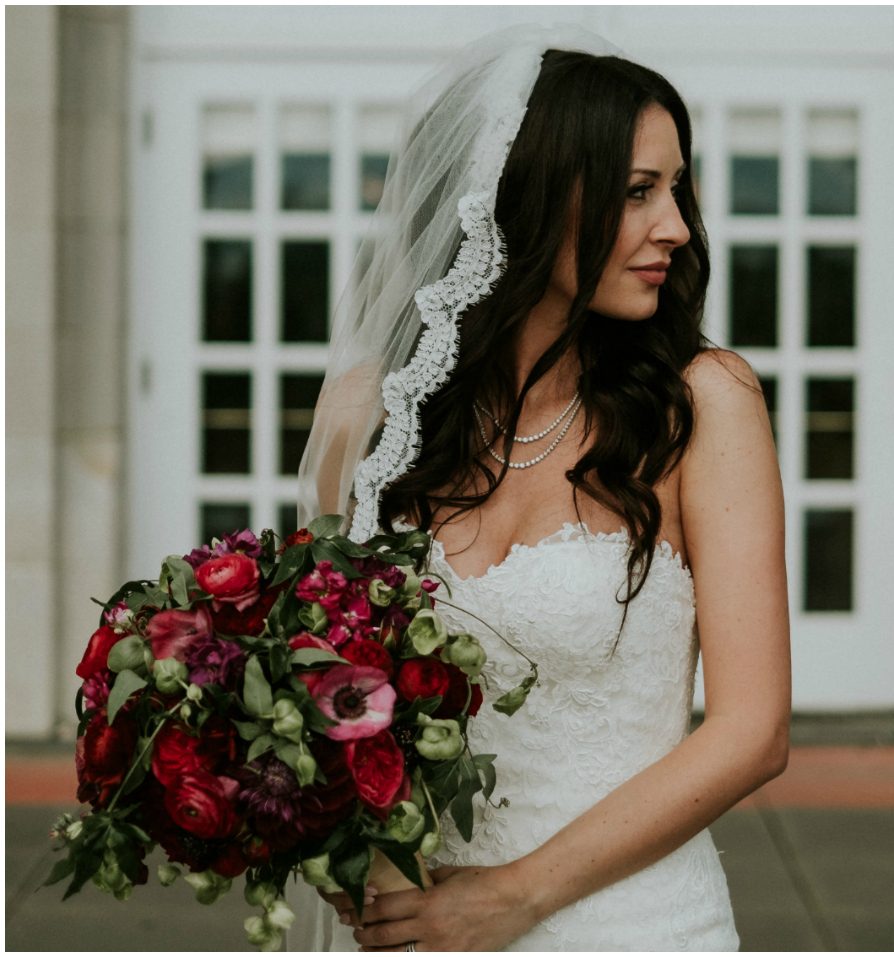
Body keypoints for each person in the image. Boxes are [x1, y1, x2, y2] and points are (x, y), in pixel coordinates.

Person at [292, 24, 789, 952]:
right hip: (423, 924)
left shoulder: (702, 403)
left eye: (677, 188)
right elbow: (335, 703)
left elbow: (753, 731)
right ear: (525, 201)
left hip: (638, 921)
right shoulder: (371, 413)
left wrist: (512, 897)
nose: (676, 226)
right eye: (639, 191)